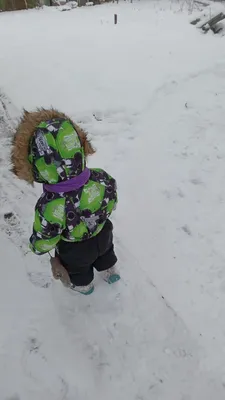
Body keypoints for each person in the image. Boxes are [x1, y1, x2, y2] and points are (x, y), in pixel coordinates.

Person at [11, 108, 120, 295]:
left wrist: (37, 246)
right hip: (103, 233)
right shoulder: (101, 178)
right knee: (106, 254)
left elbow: (46, 236)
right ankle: (109, 271)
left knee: (78, 271)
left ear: (37, 165)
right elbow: (112, 201)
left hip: (75, 249)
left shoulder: (50, 205)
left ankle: (84, 286)